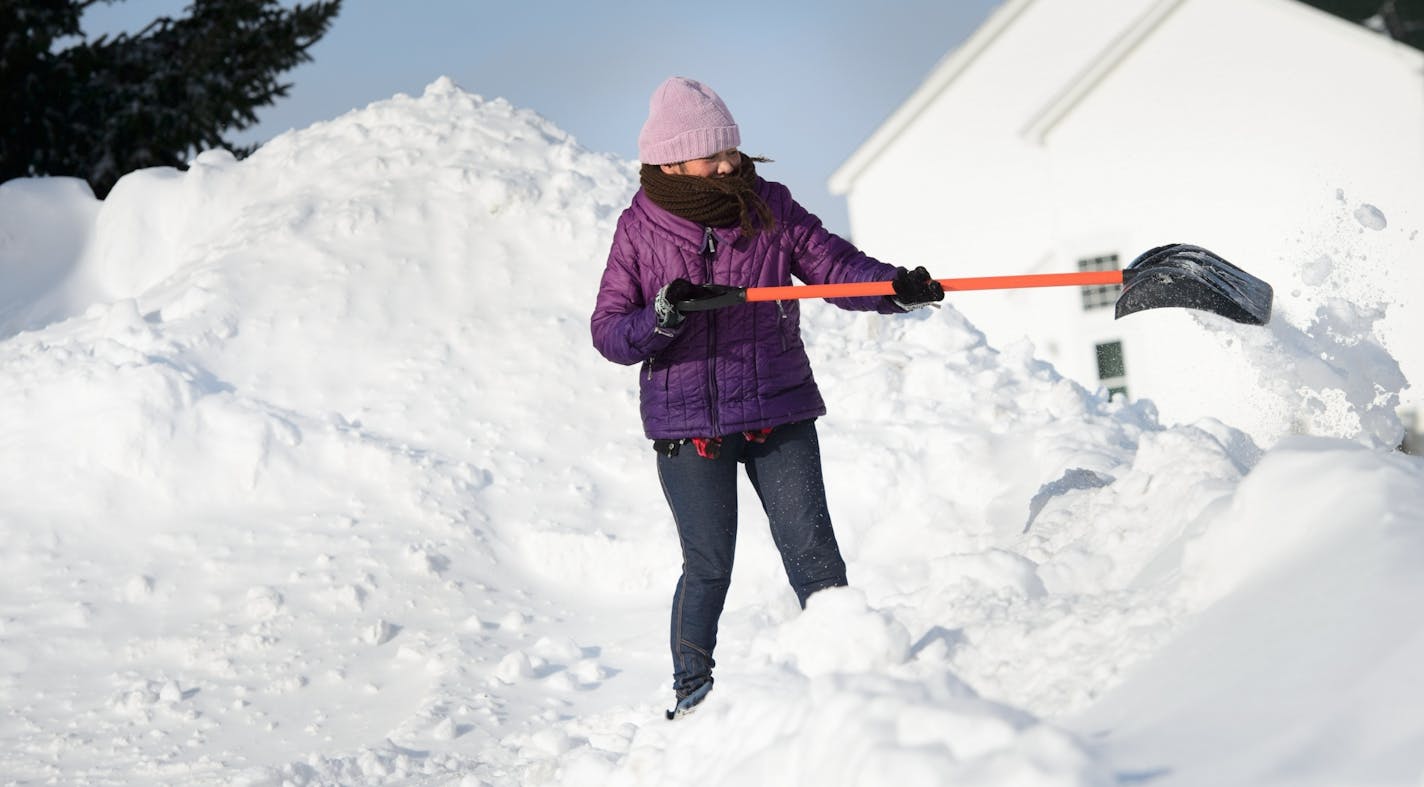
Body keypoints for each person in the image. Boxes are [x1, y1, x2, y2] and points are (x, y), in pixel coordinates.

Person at [589, 76, 944, 719]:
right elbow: (610, 331)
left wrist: (894, 285)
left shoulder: (770, 205)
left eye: (732, 150)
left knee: (812, 550)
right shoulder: (638, 230)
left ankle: (855, 682)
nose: (729, 164)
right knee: (709, 566)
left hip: (777, 407)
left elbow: (833, 266)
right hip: (687, 424)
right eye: (712, 154)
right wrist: (664, 314)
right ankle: (691, 694)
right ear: (671, 161)